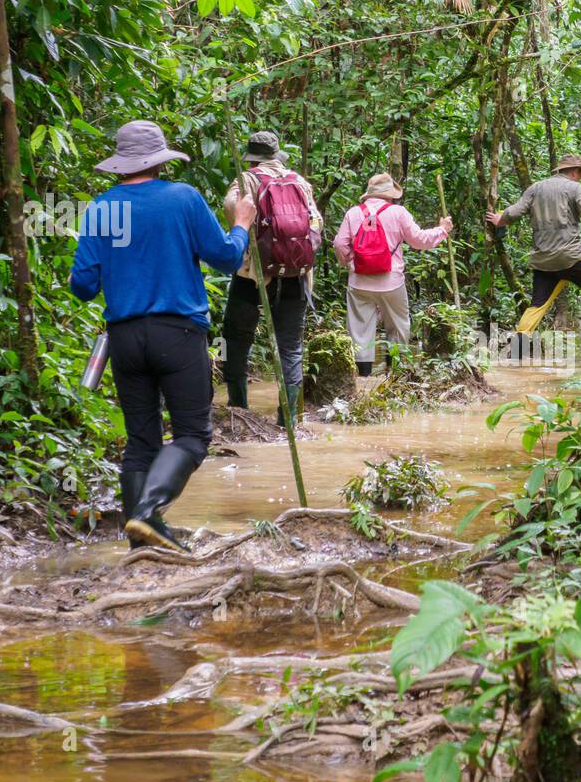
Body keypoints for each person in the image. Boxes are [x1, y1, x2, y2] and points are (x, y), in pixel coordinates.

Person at [71, 119, 254, 552]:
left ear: (120, 166)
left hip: (125, 338)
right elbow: (227, 258)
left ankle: (144, 546)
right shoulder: (183, 199)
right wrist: (242, 222)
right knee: (192, 435)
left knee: (141, 442)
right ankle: (147, 513)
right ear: (160, 162)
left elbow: (82, 285)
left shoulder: (103, 209)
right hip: (179, 333)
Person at [219, 130, 323, 424]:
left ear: (252, 157)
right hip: (296, 277)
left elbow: (232, 209)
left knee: (236, 339)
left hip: (252, 275)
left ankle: (238, 410)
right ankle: (289, 418)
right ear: (276, 155)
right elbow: (316, 223)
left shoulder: (246, 180)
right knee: (291, 346)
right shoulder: (300, 182)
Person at [486, 152, 581, 349]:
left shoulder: (535, 188)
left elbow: (513, 213)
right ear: (575, 171)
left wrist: (500, 219)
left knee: (537, 305)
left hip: (543, 261)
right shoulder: (574, 188)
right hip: (572, 257)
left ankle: (518, 349)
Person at [332, 173, 453, 376]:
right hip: (392, 282)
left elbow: (339, 244)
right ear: (390, 195)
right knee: (397, 327)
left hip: (359, 282)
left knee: (360, 330)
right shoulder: (398, 212)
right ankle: (395, 376)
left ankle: (363, 378)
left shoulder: (353, 213)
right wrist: (442, 230)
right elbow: (419, 240)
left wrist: (351, 264)